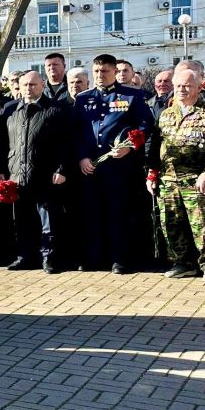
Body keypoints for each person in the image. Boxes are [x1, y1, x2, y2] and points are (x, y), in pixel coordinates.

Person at [75, 54, 154, 273]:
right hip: (89, 166)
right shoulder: (83, 98)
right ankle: (94, 257)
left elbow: (145, 125)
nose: (100, 76)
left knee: (117, 213)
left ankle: (119, 258)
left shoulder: (131, 96)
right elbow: (77, 131)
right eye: (97, 72)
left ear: (114, 72)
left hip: (119, 167)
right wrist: (82, 156)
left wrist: (130, 146)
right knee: (92, 213)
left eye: (105, 71)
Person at [147, 69, 205, 282]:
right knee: (171, 223)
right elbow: (155, 146)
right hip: (169, 180)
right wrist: (152, 173)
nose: (181, 89)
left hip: (197, 179)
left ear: (199, 88)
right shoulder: (166, 114)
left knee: (204, 225)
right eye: (178, 85)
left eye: (187, 86)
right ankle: (182, 262)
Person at [0, 72, 71, 273]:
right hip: (17, 174)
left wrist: (61, 168)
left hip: (45, 175)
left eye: (33, 84)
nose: (29, 88)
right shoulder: (10, 110)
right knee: (21, 220)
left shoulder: (55, 109)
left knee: (48, 222)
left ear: (42, 84)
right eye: (25, 84)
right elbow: (2, 144)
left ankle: (49, 258)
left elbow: (65, 143)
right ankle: (24, 257)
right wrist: (1, 170)